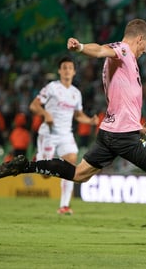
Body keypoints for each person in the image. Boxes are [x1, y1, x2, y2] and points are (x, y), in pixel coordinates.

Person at [0, 19, 146, 239]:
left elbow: (121, 101)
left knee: (78, 175)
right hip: (123, 138)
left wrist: (140, 127)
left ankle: (27, 166)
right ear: (138, 39)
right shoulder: (123, 51)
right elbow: (101, 49)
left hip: (111, 133)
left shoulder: (126, 63)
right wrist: (81, 47)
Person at [29, 56, 99, 215]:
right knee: (45, 175)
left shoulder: (76, 93)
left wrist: (90, 121)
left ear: (74, 72)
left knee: (71, 166)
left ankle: (64, 206)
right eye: (64, 67)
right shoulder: (52, 88)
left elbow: (78, 115)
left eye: (70, 68)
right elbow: (33, 105)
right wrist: (45, 113)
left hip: (66, 134)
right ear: (59, 71)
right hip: (49, 133)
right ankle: (38, 158)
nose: (67, 70)